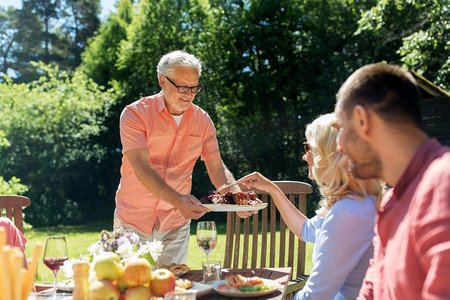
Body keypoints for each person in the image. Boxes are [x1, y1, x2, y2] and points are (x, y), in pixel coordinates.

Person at [114, 50, 243, 266]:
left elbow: (216, 167)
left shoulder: (202, 121)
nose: (188, 94)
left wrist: (236, 196)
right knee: (132, 288)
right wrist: (179, 201)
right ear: (162, 81)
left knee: (173, 288)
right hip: (133, 218)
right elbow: (141, 167)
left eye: (194, 88)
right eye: (182, 87)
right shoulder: (134, 114)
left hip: (175, 221)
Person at [333, 63, 450, 299]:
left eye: (341, 129)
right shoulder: (394, 200)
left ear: (362, 120)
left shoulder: (442, 184)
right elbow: (372, 288)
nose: (339, 146)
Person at [237, 113, 384, 299]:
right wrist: (272, 189)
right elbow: (306, 230)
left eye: (309, 148)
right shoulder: (357, 202)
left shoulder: (347, 213)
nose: (304, 156)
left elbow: (315, 296)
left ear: (329, 155)